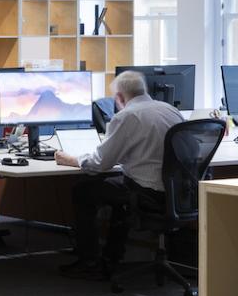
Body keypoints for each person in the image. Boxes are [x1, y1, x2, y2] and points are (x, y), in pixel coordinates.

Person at [55, 69, 183, 280]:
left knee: (84, 188)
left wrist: (70, 159)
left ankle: (91, 261)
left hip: (148, 192)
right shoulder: (171, 110)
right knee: (118, 189)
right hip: (177, 192)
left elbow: (99, 163)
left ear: (120, 97)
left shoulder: (126, 116)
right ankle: (112, 257)